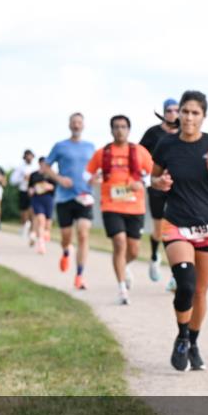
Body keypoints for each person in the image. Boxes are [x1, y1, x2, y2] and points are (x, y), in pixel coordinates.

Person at [150, 91, 208, 372]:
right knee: (185, 283)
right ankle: (182, 336)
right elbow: (154, 177)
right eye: (185, 111)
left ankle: (194, 342)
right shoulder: (166, 144)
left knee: (199, 292)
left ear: (203, 117)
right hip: (176, 223)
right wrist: (159, 183)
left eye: (195, 113)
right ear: (178, 114)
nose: (188, 117)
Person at [86, 115, 154, 305]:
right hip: (111, 205)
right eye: (116, 127)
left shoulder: (139, 152)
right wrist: (92, 181)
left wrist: (142, 184)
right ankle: (122, 288)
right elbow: (87, 174)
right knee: (119, 242)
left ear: (129, 130)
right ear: (111, 130)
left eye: (123, 127)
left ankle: (124, 267)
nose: (120, 130)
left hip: (135, 206)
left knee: (133, 250)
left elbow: (153, 174)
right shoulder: (102, 153)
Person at [44, 113, 96, 290]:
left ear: (83, 125)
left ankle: (79, 275)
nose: (76, 125)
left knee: (83, 234)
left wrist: (94, 179)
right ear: (69, 125)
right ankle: (66, 251)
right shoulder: (60, 146)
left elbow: (95, 170)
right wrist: (59, 179)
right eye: (73, 122)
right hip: (64, 197)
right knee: (66, 237)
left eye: (79, 122)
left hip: (84, 196)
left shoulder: (90, 147)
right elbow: (45, 167)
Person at [141, 98, 181, 284]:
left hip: (177, 186)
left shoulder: (183, 132)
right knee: (159, 229)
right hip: (156, 185)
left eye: (176, 110)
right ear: (164, 113)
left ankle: (177, 271)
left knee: (175, 228)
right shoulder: (153, 133)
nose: (173, 114)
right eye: (170, 110)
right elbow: (139, 154)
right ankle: (155, 256)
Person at [28, 157, 56, 255]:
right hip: (37, 199)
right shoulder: (34, 175)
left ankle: (37, 235)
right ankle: (41, 244)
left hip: (48, 199)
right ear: (39, 163)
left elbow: (56, 188)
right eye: (43, 163)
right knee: (40, 220)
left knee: (47, 224)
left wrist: (49, 186)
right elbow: (30, 187)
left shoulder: (52, 175)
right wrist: (31, 191)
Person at [10, 149, 39, 246]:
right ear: (24, 157)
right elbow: (12, 180)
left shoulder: (36, 168)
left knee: (33, 213)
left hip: (34, 193)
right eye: (27, 156)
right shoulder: (20, 168)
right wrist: (23, 178)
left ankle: (32, 234)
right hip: (23, 191)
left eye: (31, 156)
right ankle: (24, 226)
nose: (29, 158)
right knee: (24, 213)